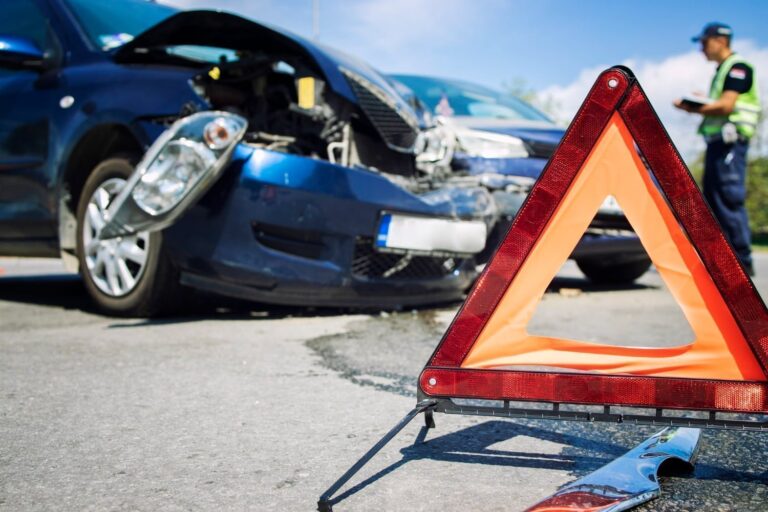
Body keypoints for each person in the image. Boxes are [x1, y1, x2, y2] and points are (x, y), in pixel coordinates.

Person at [674, 22, 761, 276]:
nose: (701, 48)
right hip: (718, 145)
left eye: (704, 42)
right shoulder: (723, 70)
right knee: (714, 199)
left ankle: (741, 264)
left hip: (730, 144)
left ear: (720, 41)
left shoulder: (738, 68)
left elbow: (726, 106)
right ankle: (724, 262)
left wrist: (694, 107)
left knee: (728, 199)